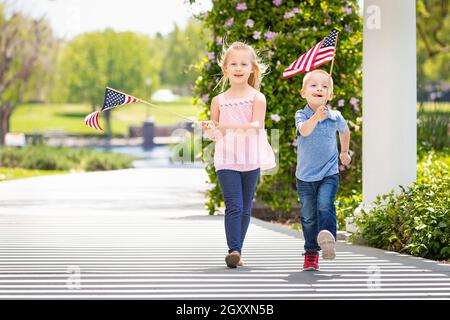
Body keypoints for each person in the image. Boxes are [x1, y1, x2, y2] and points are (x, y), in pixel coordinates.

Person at [201, 41, 276, 268]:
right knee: (234, 204)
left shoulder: (257, 97)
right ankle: (233, 250)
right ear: (226, 68)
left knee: (245, 207)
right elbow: (216, 135)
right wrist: (211, 130)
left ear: (253, 68)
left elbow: (255, 126)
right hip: (226, 159)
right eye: (233, 63)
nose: (238, 67)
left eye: (244, 63)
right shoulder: (218, 101)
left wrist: (222, 128)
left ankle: (238, 252)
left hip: (250, 158)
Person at [294, 69, 351, 271]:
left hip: (329, 172)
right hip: (305, 177)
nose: (319, 88)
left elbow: (345, 131)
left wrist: (344, 151)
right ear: (303, 92)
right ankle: (311, 253)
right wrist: (316, 117)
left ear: (330, 95)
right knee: (308, 215)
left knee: (325, 204)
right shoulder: (301, 115)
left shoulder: (335, 116)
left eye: (325, 86)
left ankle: (328, 239)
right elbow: (304, 131)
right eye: (314, 85)